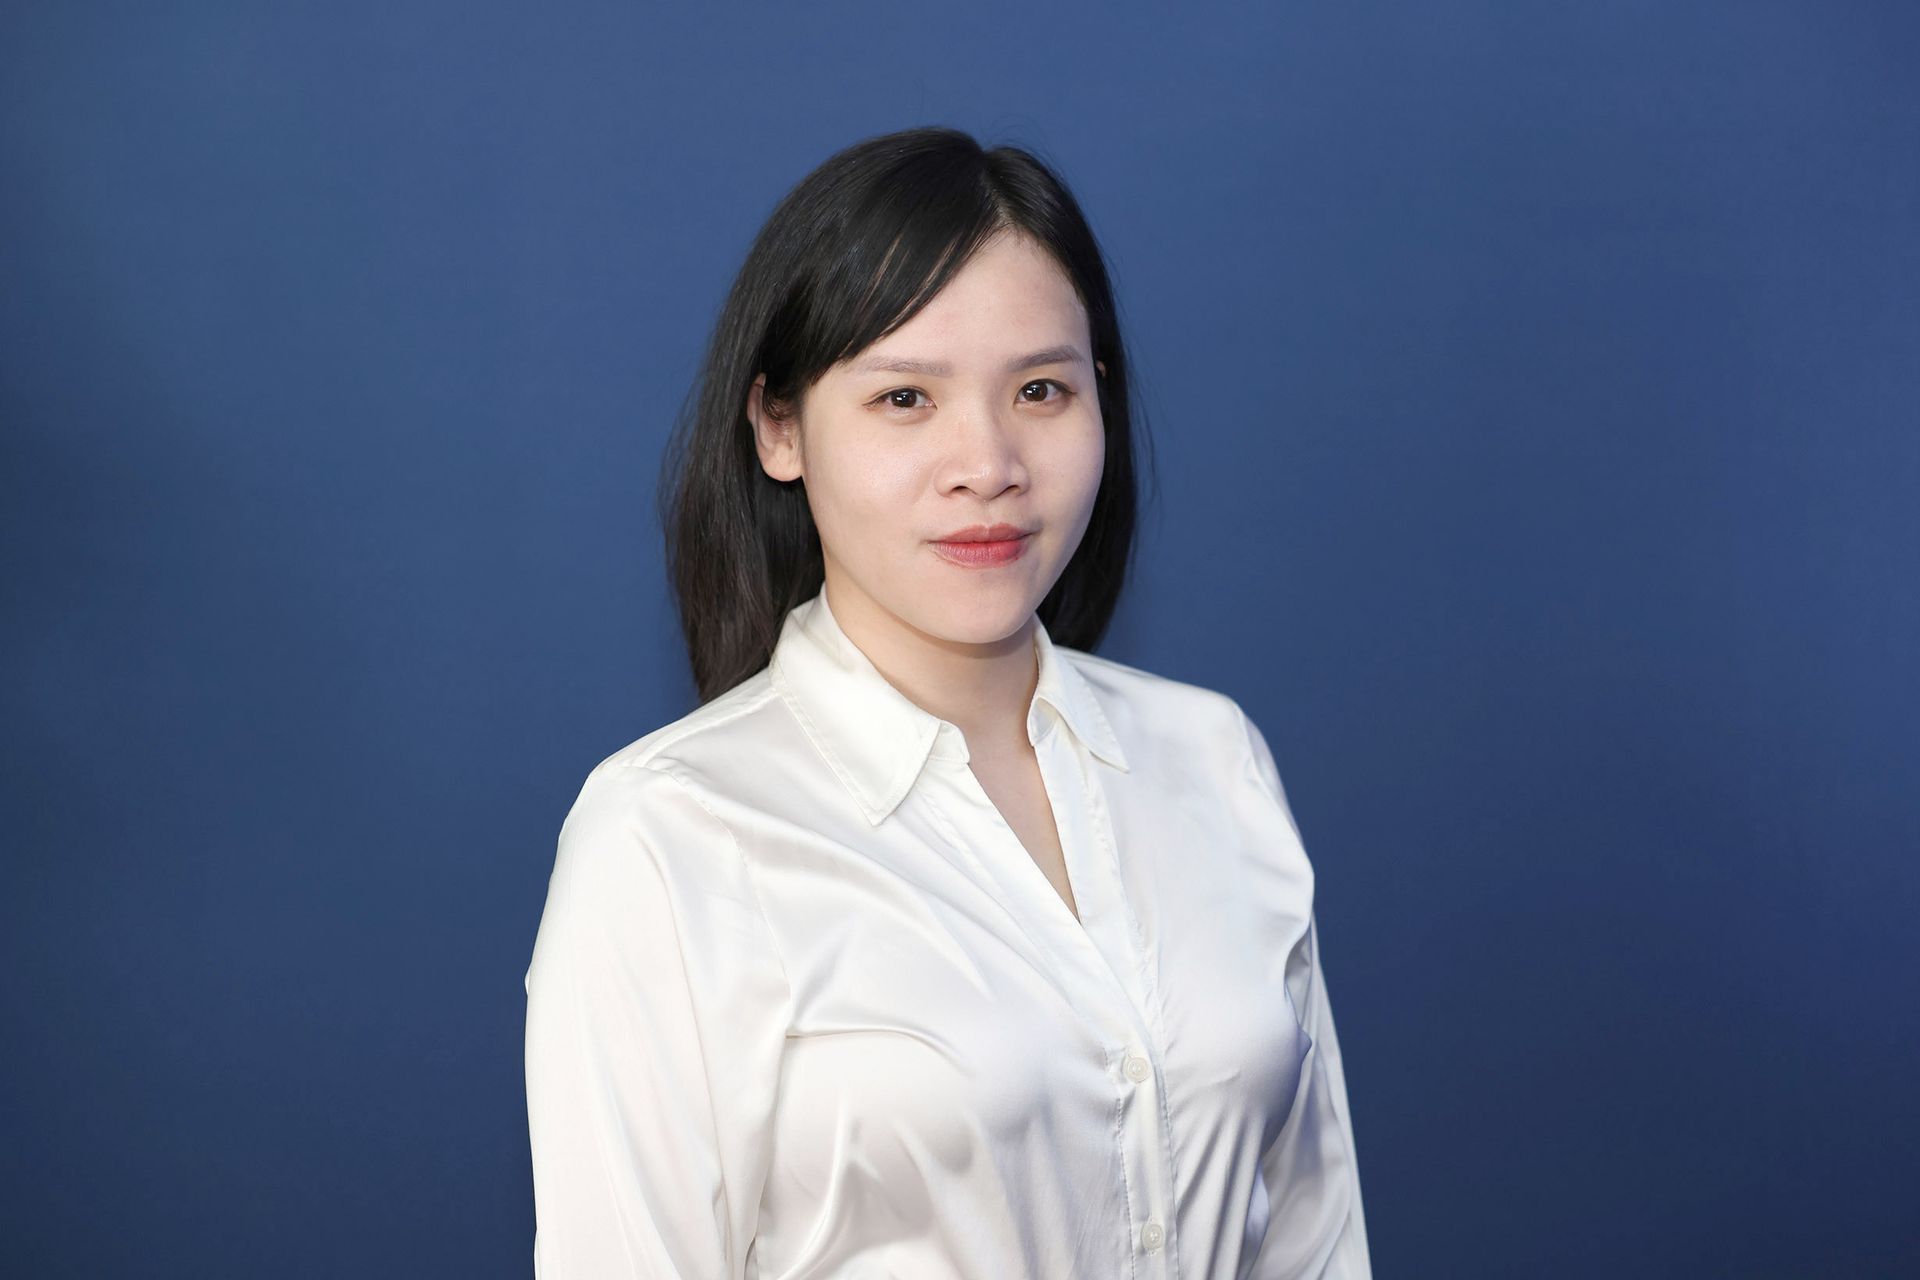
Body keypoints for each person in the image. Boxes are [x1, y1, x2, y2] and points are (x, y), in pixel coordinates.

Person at [523, 124, 1371, 1279]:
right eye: (906, 397)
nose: (988, 462)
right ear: (779, 427)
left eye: (1039, 388)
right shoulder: (670, 835)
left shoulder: (1211, 756)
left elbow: (1317, 1243)